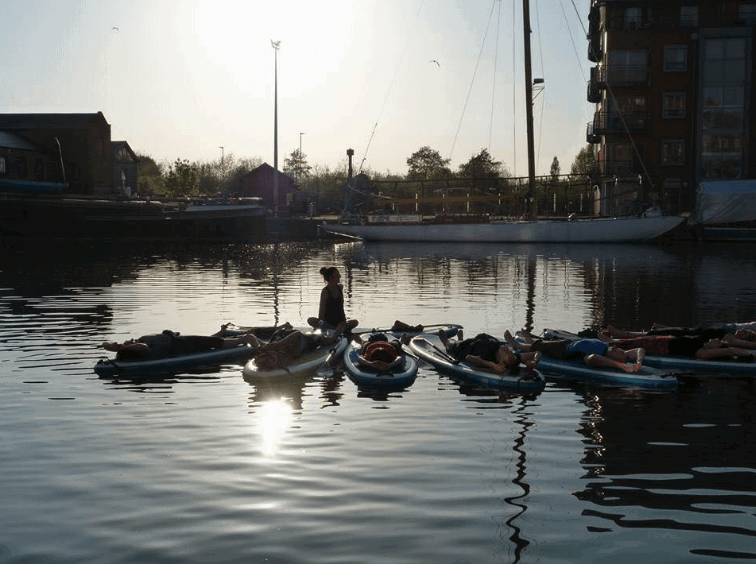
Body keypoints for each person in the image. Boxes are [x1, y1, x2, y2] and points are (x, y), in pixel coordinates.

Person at [505, 330, 644, 373]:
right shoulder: (609, 349)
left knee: (541, 346)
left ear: (617, 359)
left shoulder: (596, 357)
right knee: (545, 343)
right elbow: (639, 350)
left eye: (618, 352)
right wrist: (638, 361)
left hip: (563, 350)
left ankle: (516, 344)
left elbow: (592, 358)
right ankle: (526, 341)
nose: (617, 348)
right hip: (568, 342)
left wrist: (623, 366)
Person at [102, 329, 258, 361]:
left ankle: (239, 337)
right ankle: (243, 340)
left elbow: (104, 343)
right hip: (181, 345)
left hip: (177, 339)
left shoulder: (136, 345)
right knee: (214, 343)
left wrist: (112, 346)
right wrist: (122, 347)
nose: (127, 340)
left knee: (210, 340)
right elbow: (139, 348)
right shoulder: (143, 349)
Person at [597, 331, 756, 361]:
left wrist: (749, 355)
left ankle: (608, 342)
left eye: (718, 341)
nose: (715, 338)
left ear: (718, 347)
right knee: (638, 339)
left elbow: (731, 350)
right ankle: (611, 340)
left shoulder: (701, 352)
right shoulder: (702, 343)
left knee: (632, 343)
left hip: (663, 347)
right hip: (666, 339)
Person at [247, 324, 346, 371]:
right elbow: (297, 334)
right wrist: (277, 344)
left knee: (327, 340)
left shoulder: (266, 347)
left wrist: (260, 345)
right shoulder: (287, 354)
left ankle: (337, 333)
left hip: (289, 337)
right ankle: (333, 331)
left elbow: (250, 337)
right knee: (320, 338)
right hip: (303, 342)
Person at [440, 330, 541, 375]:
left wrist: (491, 365)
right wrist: (534, 362)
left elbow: (469, 357)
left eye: (506, 351)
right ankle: (454, 339)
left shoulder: (489, 357)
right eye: (507, 349)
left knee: (454, 345)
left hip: (469, 347)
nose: (506, 348)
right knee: (455, 344)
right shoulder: (510, 354)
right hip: (483, 338)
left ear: (500, 361)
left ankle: (451, 340)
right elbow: (537, 353)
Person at [307, 266, 359, 333]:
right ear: (331, 277)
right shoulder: (325, 291)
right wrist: (322, 324)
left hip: (341, 323)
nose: (340, 276)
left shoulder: (340, 287)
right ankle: (335, 330)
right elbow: (321, 313)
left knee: (355, 322)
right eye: (337, 275)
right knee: (310, 320)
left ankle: (338, 329)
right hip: (328, 324)